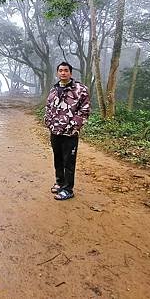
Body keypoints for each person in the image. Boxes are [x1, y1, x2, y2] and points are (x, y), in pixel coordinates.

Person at [44, 62, 91, 200]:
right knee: (57, 159)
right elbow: (48, 107)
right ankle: (60, 182)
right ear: (57, 73)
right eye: (60, 70)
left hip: (69, 134)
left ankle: (68, 189)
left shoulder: (80, 89)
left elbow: (85, 110)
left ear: (70, 72)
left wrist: (73, 126)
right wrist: (48, 121)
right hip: (55, 132)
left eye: (66, 70)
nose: (63, 73)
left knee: (68, 161)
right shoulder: (54, 90)